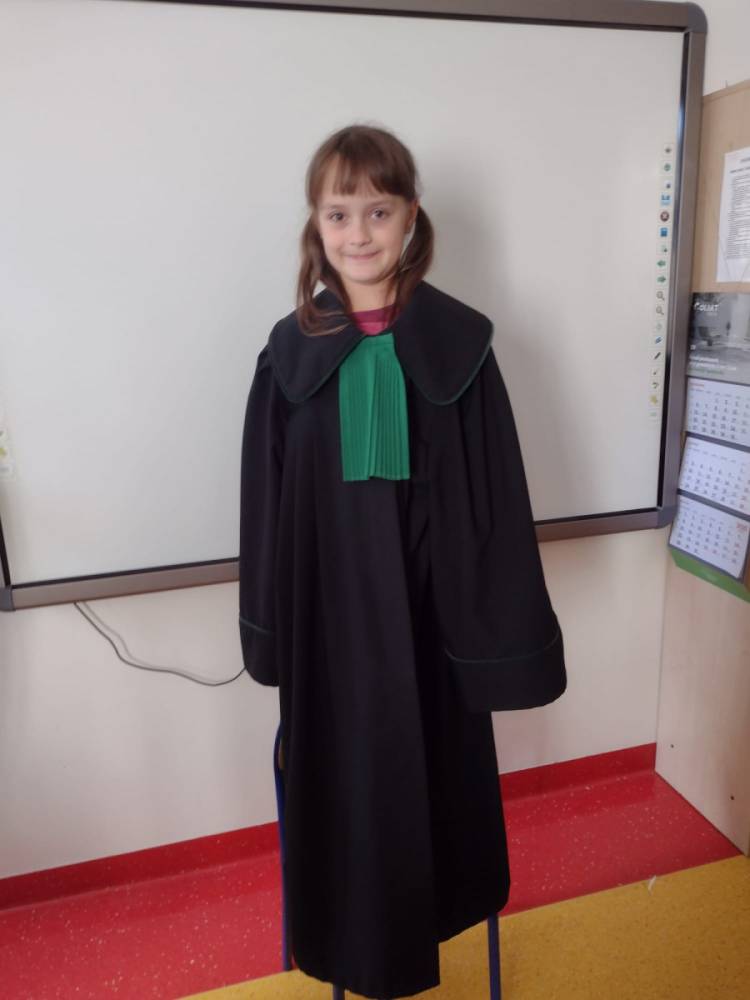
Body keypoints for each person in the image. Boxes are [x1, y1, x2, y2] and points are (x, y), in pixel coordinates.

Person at [238, 123, 567, 1000]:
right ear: (317, 224)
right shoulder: (286, 358)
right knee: (344, 807)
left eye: (378, 211)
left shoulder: (462, 350)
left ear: (411, 215)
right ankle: (354, 958)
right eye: (339, 213)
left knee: (438, 799)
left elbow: (496, 504)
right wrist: (269, 632)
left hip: (434, 632)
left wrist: (499, 641)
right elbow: (265, 507)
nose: (359, 233)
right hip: (329, 641)